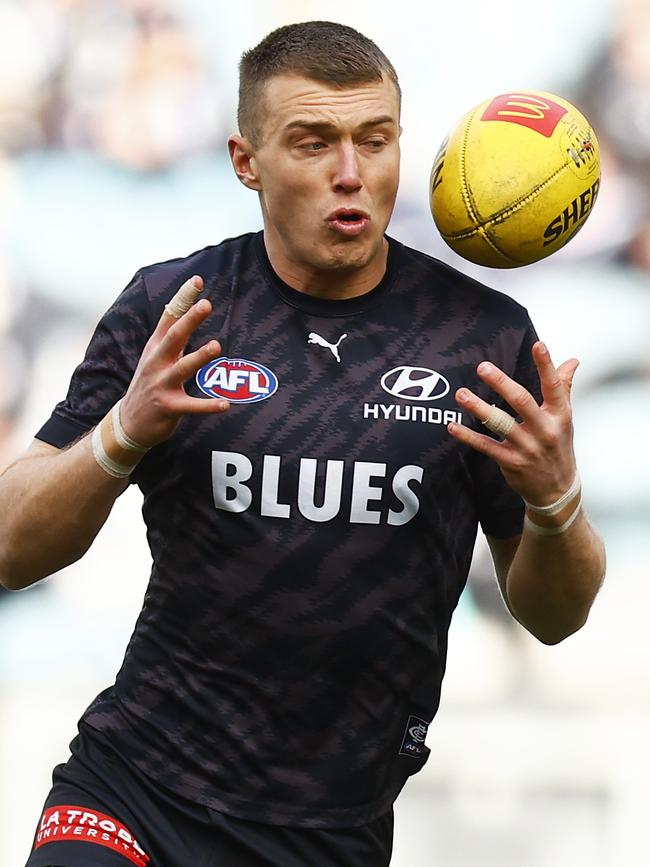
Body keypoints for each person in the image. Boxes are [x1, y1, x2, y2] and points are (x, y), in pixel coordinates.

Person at [0, 20, 606, 867]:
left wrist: (554, 499)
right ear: (246, 160)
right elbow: (9, 548)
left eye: (376, 139)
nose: (350, 174)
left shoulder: (479, 340)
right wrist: (119, 435)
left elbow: (556, 615)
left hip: (327, 829)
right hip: (135, 786)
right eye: (313, 142)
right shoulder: (176, 309)